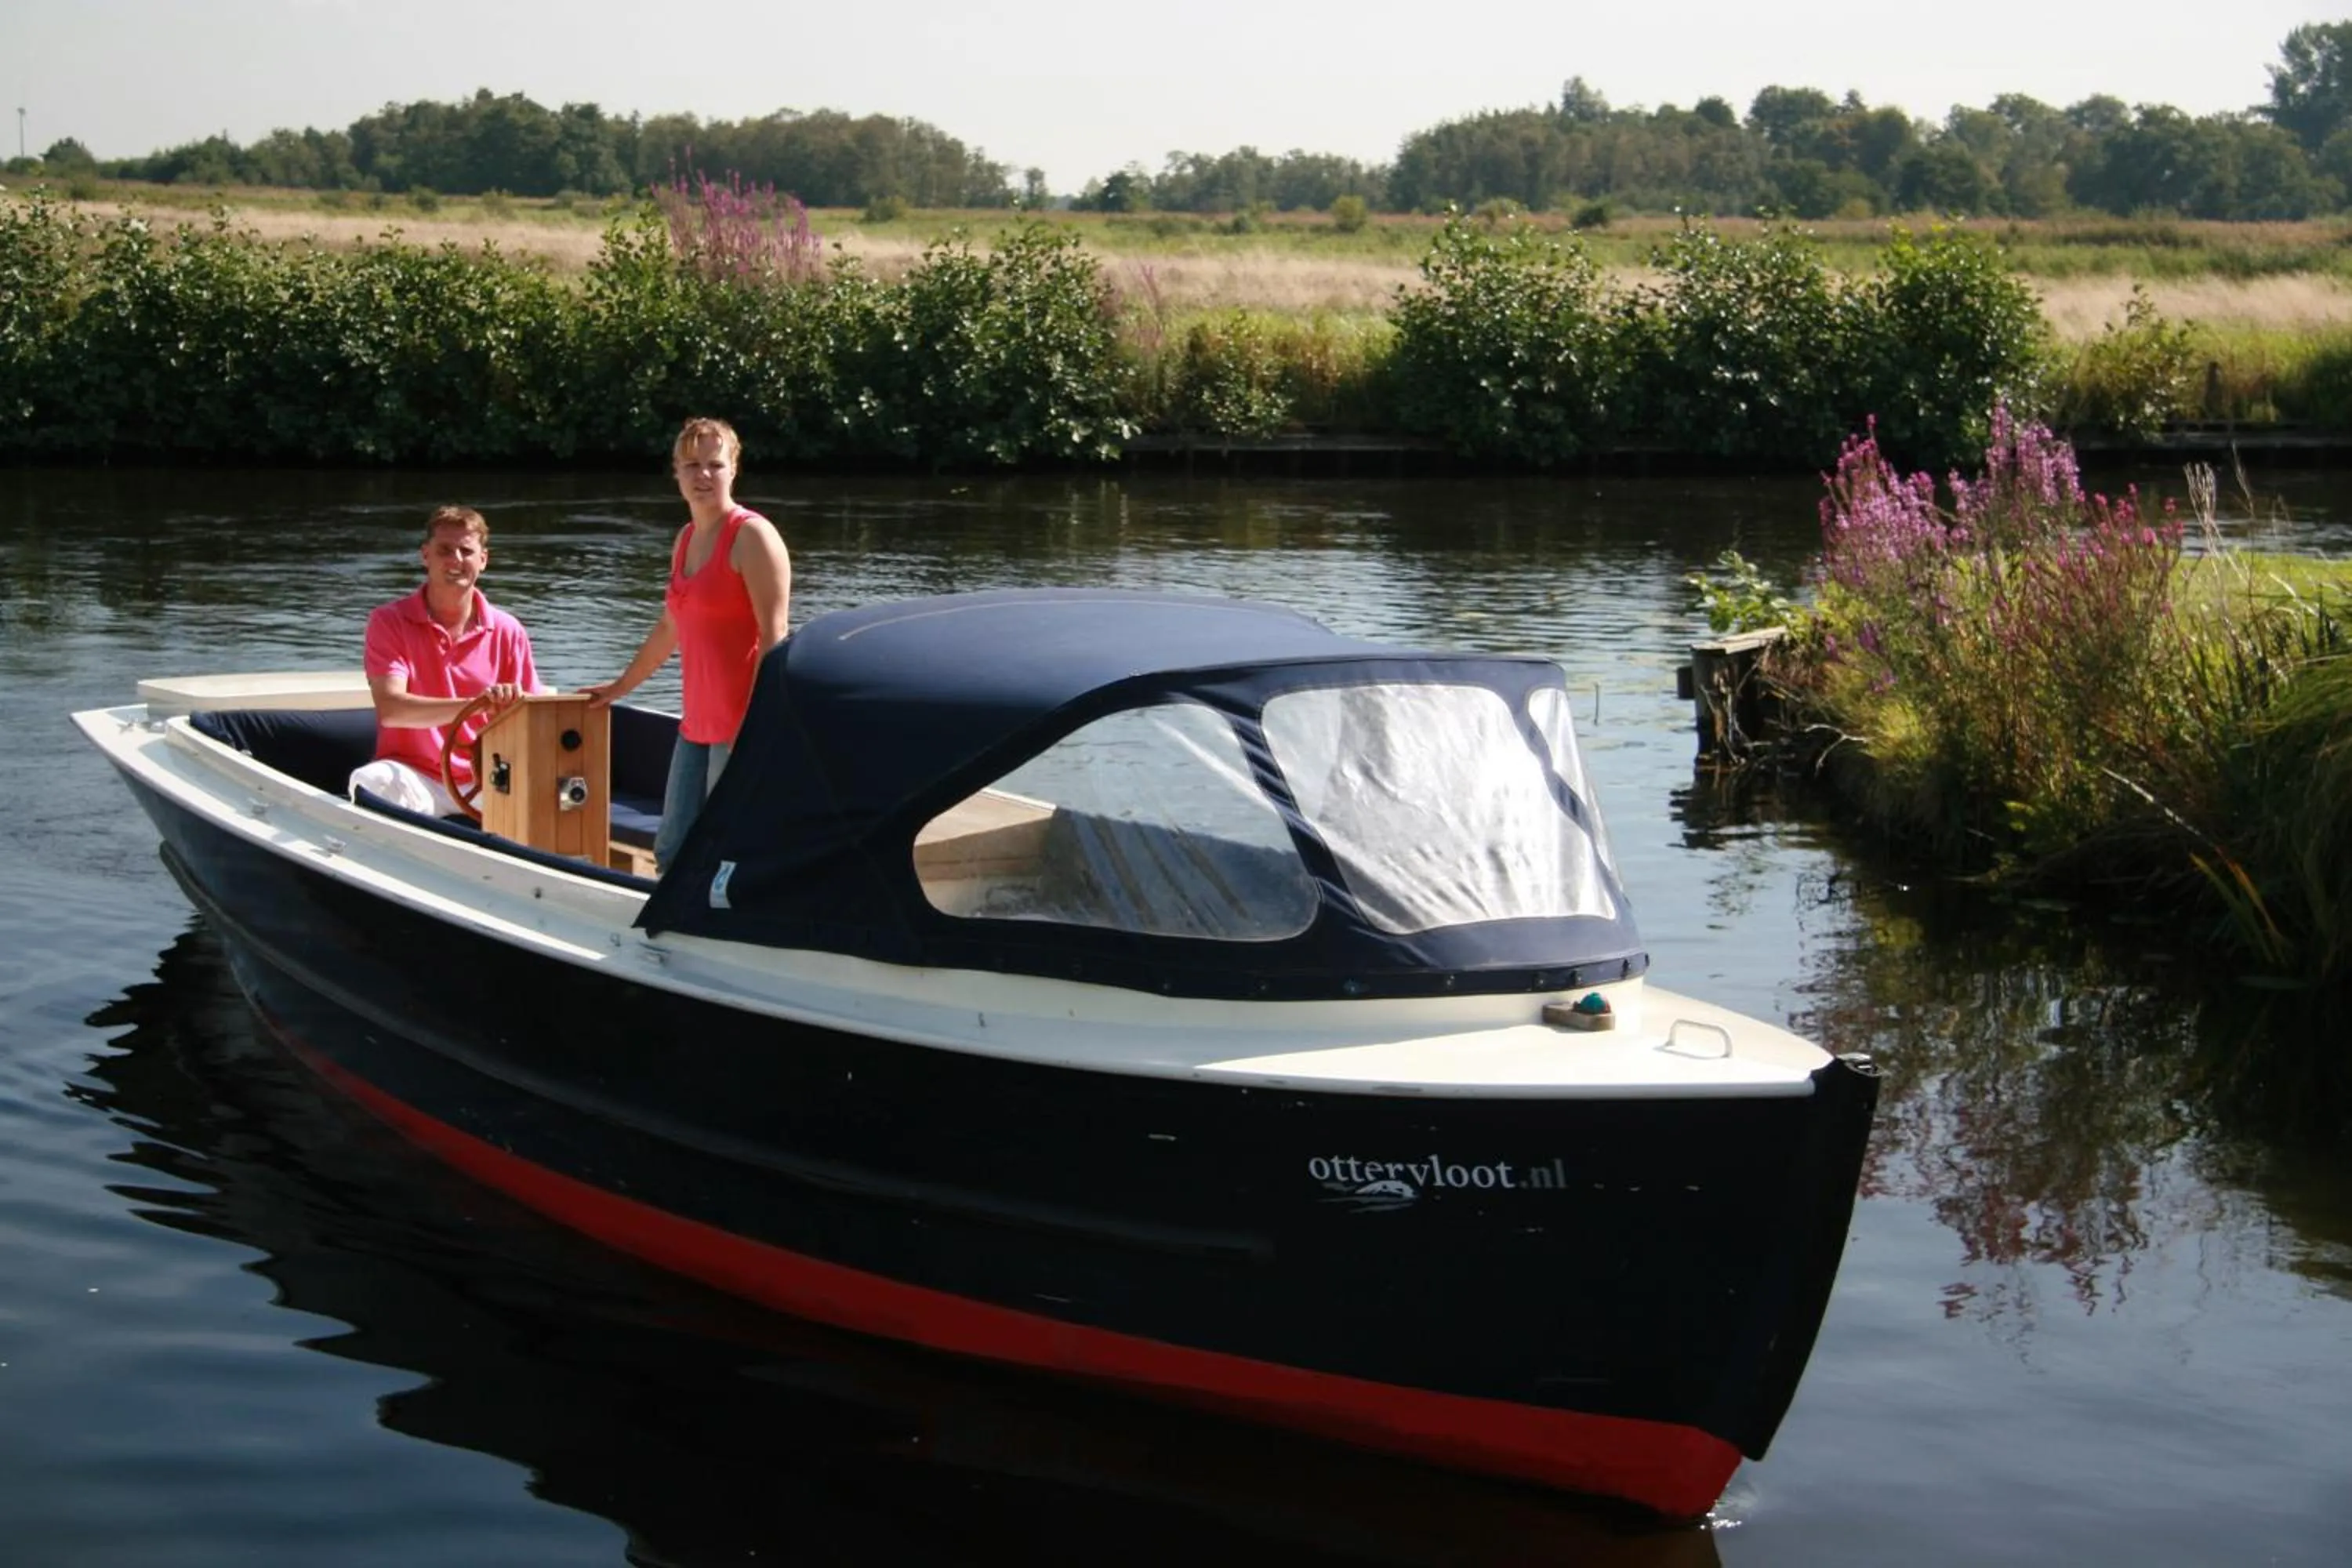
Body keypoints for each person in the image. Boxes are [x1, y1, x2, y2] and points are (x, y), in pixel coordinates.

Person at [586, 417, 792, 869]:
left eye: (715, 465)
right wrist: (621, 687)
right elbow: (668, 628)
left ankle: (724, 929)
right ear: (676, 472)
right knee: (673, 850)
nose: (703, 475)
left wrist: (753, 727)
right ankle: (667, 931)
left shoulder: (752, 536)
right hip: (695, 725)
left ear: (733, 469)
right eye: (692, 465)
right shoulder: (684, 540)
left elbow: (774, 636)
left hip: (740, 726)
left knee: (725, 849)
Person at [348, 504, 542, 818]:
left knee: (557, 794)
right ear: (426, 555)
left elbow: (533, 716)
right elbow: (392, 711)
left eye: (466, 551)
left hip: (490, 777)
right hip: (414, 775)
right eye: (445, 550)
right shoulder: (389, 621)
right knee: (372, 782)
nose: (456, 560)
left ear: (484, 560)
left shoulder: (509, 630)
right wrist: (476, 704)